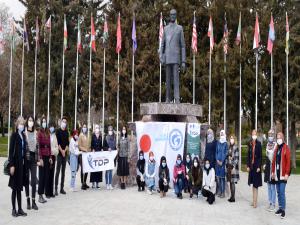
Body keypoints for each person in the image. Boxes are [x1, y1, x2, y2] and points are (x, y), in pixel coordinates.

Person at [8, 116, 28, 217]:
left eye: (23, 124)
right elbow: (10, 152)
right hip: (15, 165)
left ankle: (20, 209)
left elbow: (24, 151)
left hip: (22, 165)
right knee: (14, 188)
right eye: (20, 123)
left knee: (20, 187)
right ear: (17, 125)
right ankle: (13, 209)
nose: (22, 125)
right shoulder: (14, 135)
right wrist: (11, 165)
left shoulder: (23, 136)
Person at [272, 132, 291, 219]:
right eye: (277, 137)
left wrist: (287, 173)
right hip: (277, 175)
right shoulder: (276, 148)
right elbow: (273, 161)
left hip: (283, 175)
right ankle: (280, 208)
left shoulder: (286, 148)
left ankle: (283, 210)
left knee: (282, 192)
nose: (278, 139)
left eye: (280, 137)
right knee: (278, 192)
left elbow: (288, 162)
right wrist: (272, 172)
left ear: (283, 138)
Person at [24, 116, 38, 210]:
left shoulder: (35, 132)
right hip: (26, 158)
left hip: (33, 158)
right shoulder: (24, 132)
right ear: (27, 122)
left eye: (32, 120)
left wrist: (39, 159)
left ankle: (33, 201)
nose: (30, 122)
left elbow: (38, 147)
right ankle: (28, 200)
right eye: (29, 120)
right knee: (26, 180)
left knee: (33, 180)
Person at [247, 129, 262, 208]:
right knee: (253, 185)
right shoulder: (250, 143)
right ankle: (253, 201)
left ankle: (255, 202)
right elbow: (248, 155)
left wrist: (259, 166)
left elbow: (260, 157)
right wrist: (248, 166)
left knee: (256, 185)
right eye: (252, 134)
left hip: (256, 167)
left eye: (255, 134)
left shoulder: (259, 144)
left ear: (257, 135)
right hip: (251, 167)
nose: (254, 135)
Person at [37, 117, 51, 203]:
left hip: (47, 156)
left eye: (45, 121)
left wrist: (50, 157)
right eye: (43, 122)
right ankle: (40, 195)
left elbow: (49, 145)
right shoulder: (39, 133)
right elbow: (38, 146)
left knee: (46, 176)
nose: (44, 123)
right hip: (42, 156)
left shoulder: (47, 133)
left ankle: (43, 194)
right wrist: (40, 158)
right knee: (41, 176)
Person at [55, 117, 69, 195]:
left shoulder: (66, 132)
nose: (64, 123)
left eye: (65, 122)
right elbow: (57, 143)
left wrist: (65, 151)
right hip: (59, 154)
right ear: (61, 122)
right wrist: (61, 151)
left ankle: (61, 188)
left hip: (65, 154)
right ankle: (56, 188)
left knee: (63, 172)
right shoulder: (58, 131)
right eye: (63, 121)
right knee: (57, 171)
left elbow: (67, 143)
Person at [90, 124, 107, 189]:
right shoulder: (93, 136)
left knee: (98, 170)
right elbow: (91, 145)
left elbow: (101, 145)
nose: (97, 129)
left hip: (99, 154)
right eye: (96, 128)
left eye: (98, 128)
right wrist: (92, 149)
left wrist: (102, 149)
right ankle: (93, 183)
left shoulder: (100, 137)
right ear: (95, 129)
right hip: (94, 154)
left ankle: (97, 183)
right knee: (93, 169)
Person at [264, 129, 277, 211]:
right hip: (268, 167)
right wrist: (265, 164)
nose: (270, 136)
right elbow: (266, 156)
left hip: (273, 167)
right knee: (268, 186)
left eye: (272, 135)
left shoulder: (276, 145)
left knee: (273, 186)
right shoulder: (267, 144)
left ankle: (273, 203)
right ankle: (269, 202)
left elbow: (275, 157)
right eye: (269, 135)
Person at [226, 135, 240, 202]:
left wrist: (234, 166)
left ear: (234, 139)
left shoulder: (236, 147)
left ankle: (233, 198)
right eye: (230, 138)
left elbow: (237, 158)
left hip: (233, 167)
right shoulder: (229, 147)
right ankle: (231, 196)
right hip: (229, 166)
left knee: (233, 182)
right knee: (230, 182)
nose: (231, 139)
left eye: (232, 138)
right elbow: (228, 155)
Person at [47, 121, 58, 198]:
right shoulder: (47, 135)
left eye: (53, 126)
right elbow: (47, 147)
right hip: (47, 157)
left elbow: (56, 148)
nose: (52, 128)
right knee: (47, 174)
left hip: (53, 156)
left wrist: (53, 151)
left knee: (52, 174)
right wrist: (51, 150)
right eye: (50, 126)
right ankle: (47, 192)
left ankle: (51, 191)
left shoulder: (54, 136)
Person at [215, 130, 228, 198]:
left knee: (222, 179)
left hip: (222, 163)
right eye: (221, 134)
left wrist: (222, 161)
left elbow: (226, 153)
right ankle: (219, 191)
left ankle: (223, 193)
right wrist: (217, 159)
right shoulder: (218, 142)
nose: (222, 135)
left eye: (223, 134)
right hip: (217, 163)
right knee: (218, 178)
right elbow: (216, 152)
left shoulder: (226, 143)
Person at [78, 123, 90, 190]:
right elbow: (79, 146)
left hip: (87, 155)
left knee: (87, 169)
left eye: (86, 127)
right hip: (82, 154)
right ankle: (82, 183)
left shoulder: (86, 136)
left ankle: (85, 182)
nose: (85, 128)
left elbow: (88, 145)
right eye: (84, 127)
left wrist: (89, 149)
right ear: (82, 128)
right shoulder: (80, 135)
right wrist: (85, 149)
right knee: (83, 169)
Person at [105, 125, 116, 190]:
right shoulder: (106, 137)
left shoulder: (114, 137)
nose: (110, 131)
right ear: (108, 131)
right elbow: (104, 146)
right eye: (109, 130)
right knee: (107, 170)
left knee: (111, 170)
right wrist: (107, 148)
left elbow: (114, 147)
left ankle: (110, 184)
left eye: (111, 130)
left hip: (112, 156)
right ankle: (107, 184)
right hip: (107, 156)